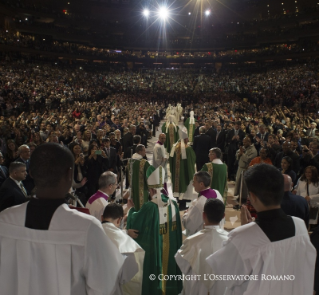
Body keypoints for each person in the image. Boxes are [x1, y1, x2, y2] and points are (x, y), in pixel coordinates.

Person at [0, 143, 125, 295]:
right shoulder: (86, 228)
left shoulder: (4, 220)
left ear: (31, 173)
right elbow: (106, 287)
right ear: (69, 174)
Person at [206, 164, 316, 295]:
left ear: (252, 196)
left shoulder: (240, 237)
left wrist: (245, 229)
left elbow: (225, 276)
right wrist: (249, 228)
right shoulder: (300, 227)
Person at [127, 165, 182, 295]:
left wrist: (130, 210)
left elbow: (136, 223)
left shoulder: (150, 207)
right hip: (172, 250)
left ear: (151, 190)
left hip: (155, 249)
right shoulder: (174, 204)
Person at [175, 199, 229, 295]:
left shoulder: (192, 241)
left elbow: (181, 263)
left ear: (203, 215)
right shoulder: (230, 241)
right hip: (221, 288)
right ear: (223, 216)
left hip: (196, 288)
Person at [102, 203, 145, 295]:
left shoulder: (89, 233)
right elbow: (130, 277)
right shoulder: (127, 243)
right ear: (119, 220)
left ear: (102, 217)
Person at [182, 171, 224, 236]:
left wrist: (185, 214)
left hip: (203, 237)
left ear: (201, 184)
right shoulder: (217, 193)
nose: (193, 184)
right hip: (218, 232)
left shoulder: (200, 203)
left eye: (194, 182)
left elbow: (189, 225)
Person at [169, 127, 196, 208]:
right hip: (184, 173)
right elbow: (192, 159)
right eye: (187, 138)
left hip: (176, 173)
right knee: (185, 185)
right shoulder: (188, 149)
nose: (188, 140)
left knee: (177, 186)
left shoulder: (174, 147)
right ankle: (183, 205)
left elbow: (170, 160)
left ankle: (178, 201)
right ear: (185, 139)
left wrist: (173, 170)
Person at [126, 144, 150, 211]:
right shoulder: (144, 163)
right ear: (140, 152)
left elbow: (128, 174)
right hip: (142, 190)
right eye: (144, 150)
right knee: (142, 207)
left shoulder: (129, 161)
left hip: (132, 189)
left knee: (134, 206)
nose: (145, 152)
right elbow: (149, 176)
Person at [233, 135, 257, 200]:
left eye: (245, 142)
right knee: (239, 183)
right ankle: (240, 196)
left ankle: (244, 198)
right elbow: (237, 153)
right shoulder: (244, 147)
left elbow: (248, 159)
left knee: (244, 185)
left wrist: (242, 154)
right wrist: (239, 154)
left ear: (249, 142)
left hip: (246, 169)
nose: (243, 144)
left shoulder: (253, 150)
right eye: (243, 142)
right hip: (240, 168)